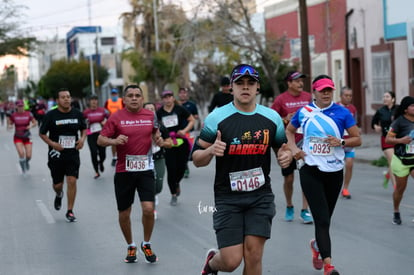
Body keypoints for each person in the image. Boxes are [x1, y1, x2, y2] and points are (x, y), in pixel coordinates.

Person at [192, 64, 292, 275]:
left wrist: (286, 156)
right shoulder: (216, 118)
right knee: (231, 262)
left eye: (250, 83)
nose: (245, 88)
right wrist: (210, 150)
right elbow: (196, 159)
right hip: (228, 198)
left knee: (254, 255)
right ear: (231, 87)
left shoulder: (272, 118)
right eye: (240, 83)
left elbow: (282, 150)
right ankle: (211, 263)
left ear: (257, 88)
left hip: (260, 196)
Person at [286, 74, 361, 275]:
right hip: (310, 169)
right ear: (315, 92)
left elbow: (357, 139)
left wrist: (342, 142)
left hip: (335, 171)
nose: (326, 93)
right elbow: (289, 131)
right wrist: (294, 150)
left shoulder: (342, 112)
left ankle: (317, 246)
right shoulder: (304, 112)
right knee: (322, 221)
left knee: (325, 217)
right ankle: (329, 266)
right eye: (322, 90)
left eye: (329, 90)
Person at [97, 84, 163, 264]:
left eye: (137, 95)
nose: (134, 98)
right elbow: (100, 139)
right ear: (124, 100)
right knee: (124, 213)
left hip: (145, 169)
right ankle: (131, 246)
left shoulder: (150, 115)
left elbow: (156, 133)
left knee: (149, 209)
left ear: (142, 98)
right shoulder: (116, 117)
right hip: (124, 171)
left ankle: (146, 243)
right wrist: (114, 140)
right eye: (130, 95)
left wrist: (159, 139)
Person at [270, 71, 313, 223]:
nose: (301, 83)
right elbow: (271, 119)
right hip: (287, 144)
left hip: (305, 143)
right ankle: (289, 205)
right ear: (289, 83)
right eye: (297, 81)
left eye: (302, 80)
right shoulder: (280, 99)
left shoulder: (308, 97)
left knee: (306, 177)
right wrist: (284, 119)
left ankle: (305, 210)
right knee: (289, 178)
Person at [39, 89, 87, 222]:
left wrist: (82, 140)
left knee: (72, 180)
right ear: (57, 100)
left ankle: (70, 211)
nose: (66, 99)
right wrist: (53, 144)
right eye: (63, 97)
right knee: (58, 185)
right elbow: (42, 133)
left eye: (68, 97)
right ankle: (59, 194)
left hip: (72, 153)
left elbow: (84, 128)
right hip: (56, 154)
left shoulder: (77, 114)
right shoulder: (51, 115)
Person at [156, 90, 195, 206]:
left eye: (169, 97)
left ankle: (176, 183)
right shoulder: (159, 113)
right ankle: (173, 194)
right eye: (165, 97)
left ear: (173, 98)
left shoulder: (179, 109)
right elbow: (155, 127)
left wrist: (184, 130)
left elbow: (192, 120)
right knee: (171, 170)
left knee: (182, 168)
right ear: (162, 99)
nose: (167, 99)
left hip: (180, 141)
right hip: (168, 143)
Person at [384, 96, 414, 225]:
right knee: (400, 190)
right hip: (401, 160)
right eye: (412, 106)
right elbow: (388, 140)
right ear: (406, 109)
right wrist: (401, 140)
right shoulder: (399, 122)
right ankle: (396, 210)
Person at [144, 102, 173, 219]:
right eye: (148, 109)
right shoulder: (139, 126)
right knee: (149, 185)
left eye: (152, 109)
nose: (151, 111)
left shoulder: (161, 126)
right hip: (145, 159)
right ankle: (152, 209)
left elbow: (170, 143)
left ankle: (155, 194)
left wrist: (162, 143)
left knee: (159, 185)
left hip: (158, 157)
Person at [371, 91, 397, 189]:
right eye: (384, 96)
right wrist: (376, 126)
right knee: (393, 160)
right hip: (386, 139)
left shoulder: (398, 110)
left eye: (387, 96)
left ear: (393, 99)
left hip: (397, 139)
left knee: (394, 161)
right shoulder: (381, 111)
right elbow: (373, 123)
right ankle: (396, 187)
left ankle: (388, 174)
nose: (384, 98)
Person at [337, 87, 358, 199]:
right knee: (337, 167)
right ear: (341, 96)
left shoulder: (353, 109)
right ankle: (335, 186)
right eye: (346, 95)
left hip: (349, 141)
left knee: (349, 164)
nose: (348, 98)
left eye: (350, 95)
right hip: (337, 142)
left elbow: (355, 124)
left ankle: (345, 188)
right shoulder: (335, 107)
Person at [7, 100, 37, 173]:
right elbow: (9, 124)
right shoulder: (13, 115)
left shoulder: (28, 114)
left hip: (27, 136)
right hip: (18, 137)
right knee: (21, 153)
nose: (21, 107)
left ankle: (26, 162)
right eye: (19, 106)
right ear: (16, 106)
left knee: (29, 156)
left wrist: (31, 126)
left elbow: (35, 122)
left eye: (22, 106)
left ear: (24, 106)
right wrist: (10, 126)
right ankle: (22, 164)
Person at [83, 95, 109, 179]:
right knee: (93, 153)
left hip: (101, 135)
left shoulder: (102, 111)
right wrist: (86, 123)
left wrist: (105, 121)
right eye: (92, 100)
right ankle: (96, 172)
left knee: (103, 154)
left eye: (95, 100)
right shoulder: (86, 112)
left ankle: (101, 162)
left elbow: (109, 119)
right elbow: (82, 123)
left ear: (97, 101)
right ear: (89, 102)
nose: (94, 102)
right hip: (91, 135)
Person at [178, 87, 199, 178]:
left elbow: (196, 116)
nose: (183, 94)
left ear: (187, 94)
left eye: (184, 93)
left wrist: (191, 118)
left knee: (187, 150)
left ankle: (184, 167)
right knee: (179, 150)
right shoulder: (176, 105)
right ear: (178, 94)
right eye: (181, 93)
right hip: (178, 132)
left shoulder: (192, 105)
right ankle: (183, 167)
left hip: (189, 131)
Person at [105, 88, 124, 166]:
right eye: (113, 94)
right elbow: (105, 112)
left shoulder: (121, 101)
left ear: (117, 94)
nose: (114, 95)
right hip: (112, 124)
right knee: (114, 141)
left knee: (123, 139)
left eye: (115, 94)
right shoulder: (108, 102)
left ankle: (122, 155)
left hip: (121, 123)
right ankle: (114, 157)